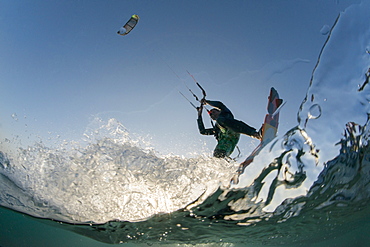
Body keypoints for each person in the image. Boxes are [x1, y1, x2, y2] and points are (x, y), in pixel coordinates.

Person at [197, 99, 261, 159]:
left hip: (233, 129)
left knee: (220, 120)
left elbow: (220, 105)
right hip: (222, 149)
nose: (212, 114)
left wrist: (207, 102)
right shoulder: (217, 129)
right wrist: (199, 116)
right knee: (217, 159)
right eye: (210, 114)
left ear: (219, 111)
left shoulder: (226, 114)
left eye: (214, 112)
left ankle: (255, 134)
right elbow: (203, 131)